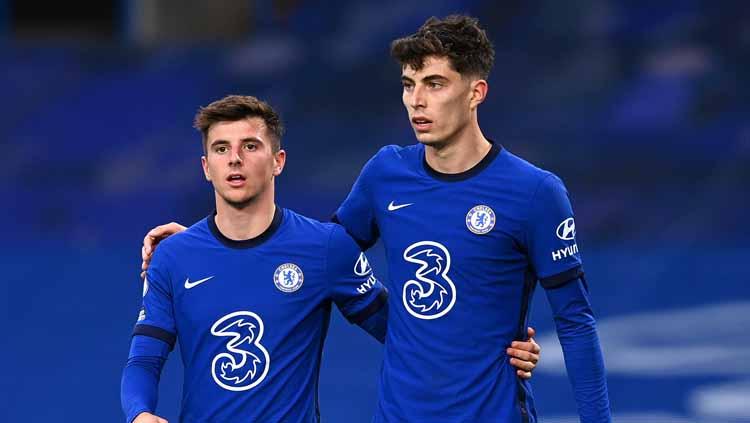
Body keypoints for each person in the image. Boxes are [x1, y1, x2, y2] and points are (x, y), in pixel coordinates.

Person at [141, 15, 599, 422]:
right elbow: (312, 250)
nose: (416, 101)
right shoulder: (386, 173)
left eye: (434, 84)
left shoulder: (535, 193)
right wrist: (208, 242)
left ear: (475, 92)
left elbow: (576, 323)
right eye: (408, 84)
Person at [121, 95, 392, 423]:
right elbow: (144, 360)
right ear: (206, 167)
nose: (234, 159)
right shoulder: (174, 257)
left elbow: (402, 334)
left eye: (250, 146)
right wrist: (140, 414)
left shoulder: (325, 247)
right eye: (221, 149)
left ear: (278, 160)